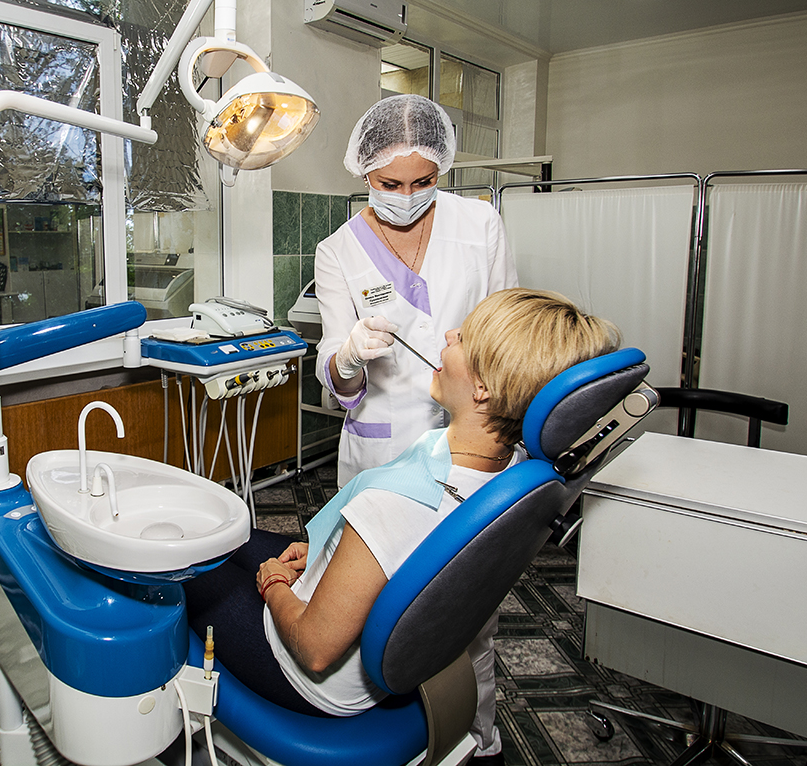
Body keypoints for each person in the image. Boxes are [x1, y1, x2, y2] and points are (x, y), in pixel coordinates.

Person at [185, 289, 621, 765]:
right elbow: (402, 559)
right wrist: (330, 555)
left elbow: (313, 649)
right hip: (372, 650)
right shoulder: (510, 474)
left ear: (483, 388)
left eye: (464, 337)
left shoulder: (397, 504)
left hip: (307, 676)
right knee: (235, 539)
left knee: (182, 565)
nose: (449, 335)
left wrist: (273, 586)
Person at [315, 95, 518, 487]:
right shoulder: (337, 250)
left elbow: (509, 334)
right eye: (390, 184)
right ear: (365, 173)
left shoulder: (480, 224)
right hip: (385, 443)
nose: (407, 196)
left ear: (441, 167)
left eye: (424, 182)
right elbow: (337, 373)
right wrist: (348, 359)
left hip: (474, 434)